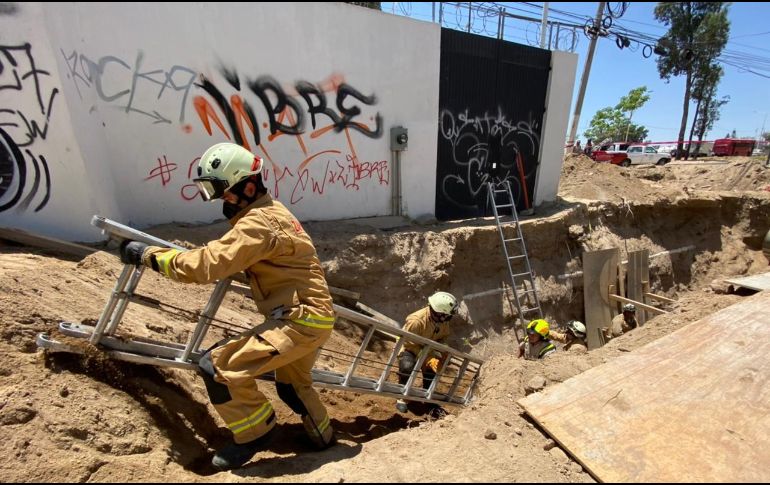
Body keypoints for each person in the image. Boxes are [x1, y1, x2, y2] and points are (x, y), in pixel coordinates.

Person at [119, 142, 336, 470]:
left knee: (218, 368)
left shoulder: (257, 224)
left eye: (224, 192)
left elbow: (204, 265)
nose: (222, 200)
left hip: (299, 320)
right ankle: (325, 438)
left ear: (248, 187)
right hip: (315, 316)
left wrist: (148, 255)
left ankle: (256, 432)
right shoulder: (274, 212)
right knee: (293, 386)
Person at [395, 292, 459, 413]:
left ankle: (428, 399)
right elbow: (409, 343)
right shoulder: (416, 321)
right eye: (447, 315)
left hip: (427, 348)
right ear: (440, 313)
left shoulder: (443, 321)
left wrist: (443, 350)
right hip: (409, 347)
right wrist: (426, 358)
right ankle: (401, 398)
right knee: (407, 367)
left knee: (431, 372)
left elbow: (443, 337)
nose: (449, 317)